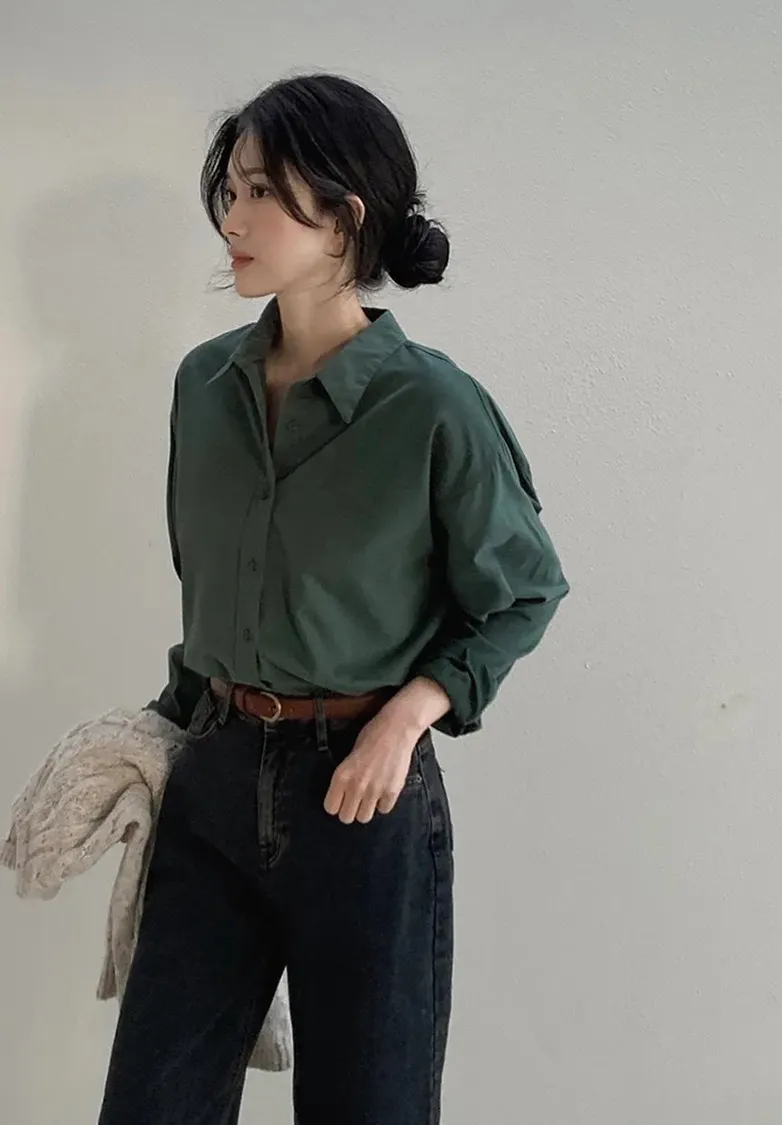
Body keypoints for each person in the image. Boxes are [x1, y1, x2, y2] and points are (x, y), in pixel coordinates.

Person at [96, 72, 570, 1125]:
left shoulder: (433, 406)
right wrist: (154, 743)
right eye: (230, 190)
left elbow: (523, 592)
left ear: (345, 217)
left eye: (262, 191)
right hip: (213, 784)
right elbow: (204, 594)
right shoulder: (201, 387)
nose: (233, 217)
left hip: (362, 801)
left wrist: (408, 716)